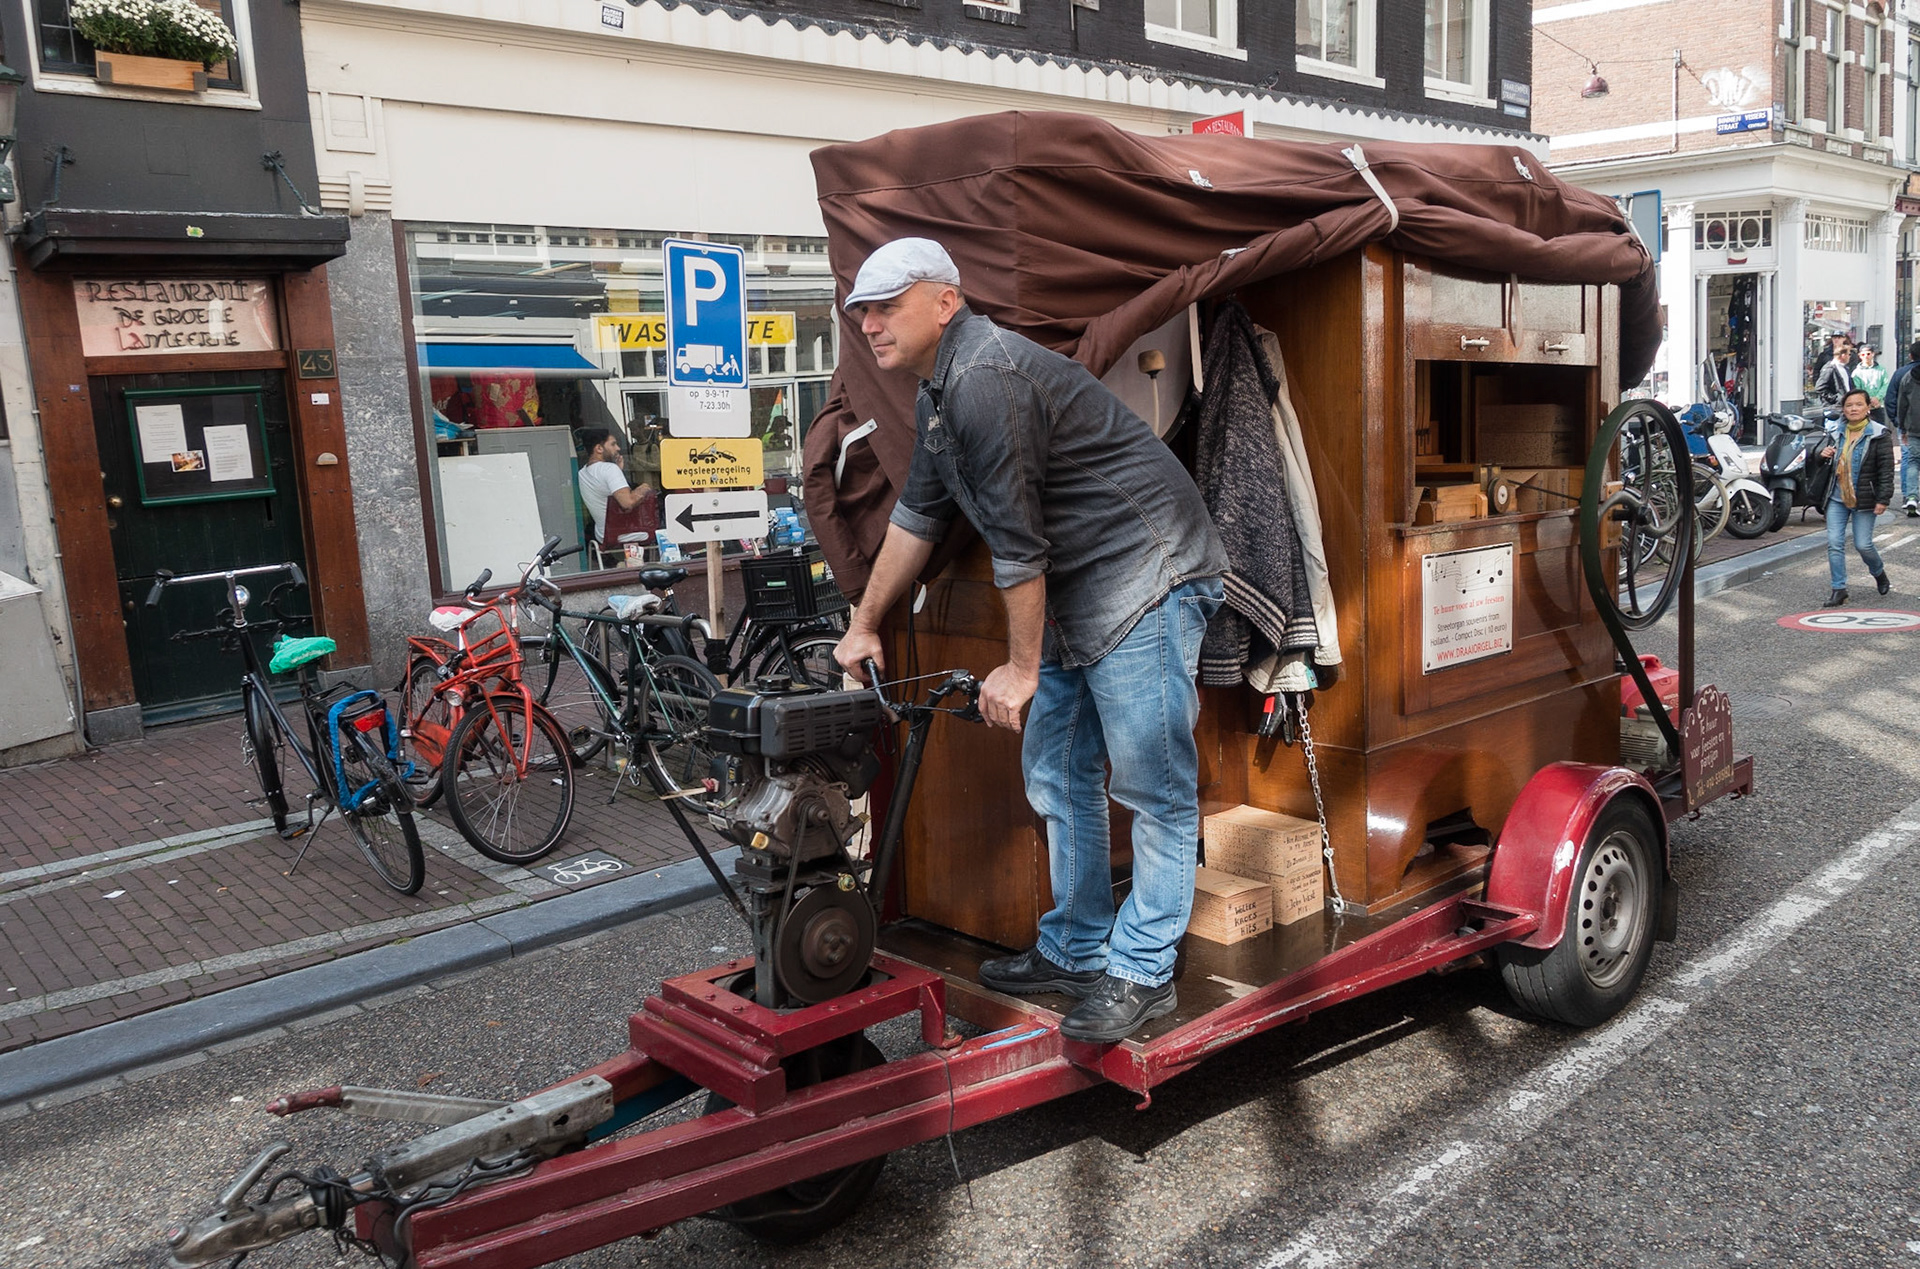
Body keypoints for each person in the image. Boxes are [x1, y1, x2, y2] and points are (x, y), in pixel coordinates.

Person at [831, 237, 1228, 1043]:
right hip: (1081, 589)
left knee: (1152, 782)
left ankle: (1143, 966)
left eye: (886, 305)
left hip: (1149, 570)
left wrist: (1019, 669)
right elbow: (917, 516)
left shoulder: (986, 380)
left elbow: (1017, 548)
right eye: (860, 312)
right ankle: (1078, 948)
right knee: (1057, 768)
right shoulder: (939, 394)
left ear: (945, 301)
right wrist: (864, 622)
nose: (869, 324)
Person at [1817, 388, 1893, 607]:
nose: (1853, 409)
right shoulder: (1835, 432)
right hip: (1836, 497)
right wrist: (1822, 456)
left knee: (1863, 544)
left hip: (1865, 498)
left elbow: (1886, 471)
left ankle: (1878, 572)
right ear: (1843, 409)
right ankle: (1838, 589)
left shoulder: (1879, 434)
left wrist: (1883, 499)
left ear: (1868, 408)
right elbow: (1821, 463)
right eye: (1849, 405)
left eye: (1859, 404)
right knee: (1834, 543)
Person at [576, 427, 653, 545]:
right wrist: (644, 487)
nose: (618, 448)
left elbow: (602, 488)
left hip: (602, 534)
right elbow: (628, 503)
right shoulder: (609, 469)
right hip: (624, 532)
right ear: (599, 448)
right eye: (613, 444)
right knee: (666, 530)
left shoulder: (582, 473)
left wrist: (618, 471)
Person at [1890, 338, 1920, 516]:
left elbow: (1900, 404)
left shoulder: (1905, 376)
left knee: (1912, 462)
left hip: (1913, 427)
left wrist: (1901, 426)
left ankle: (1911, 497)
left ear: (1910, 355)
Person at [1853, 344, 1890, 424]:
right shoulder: (1856, 373)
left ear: (1873, 354)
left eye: (1868, 354)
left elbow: (1885, 385)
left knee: (1880, 432)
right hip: (1863, 408)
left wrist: (1877, 398)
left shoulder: (1881, 370)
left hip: (1878, 406)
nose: (1866, 356)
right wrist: (1868, 399)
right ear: (1860, 356)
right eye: (1863, 354)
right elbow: (1857, 389)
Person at [1813, 343, 1853, 409]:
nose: (1849, 357)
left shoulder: (1845, 368)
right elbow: (1820, 388)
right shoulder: (1829, 368)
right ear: (1843, 355)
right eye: (1849, 354)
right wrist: (1836, 399)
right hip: (1834, 408)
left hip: (1845, 406)